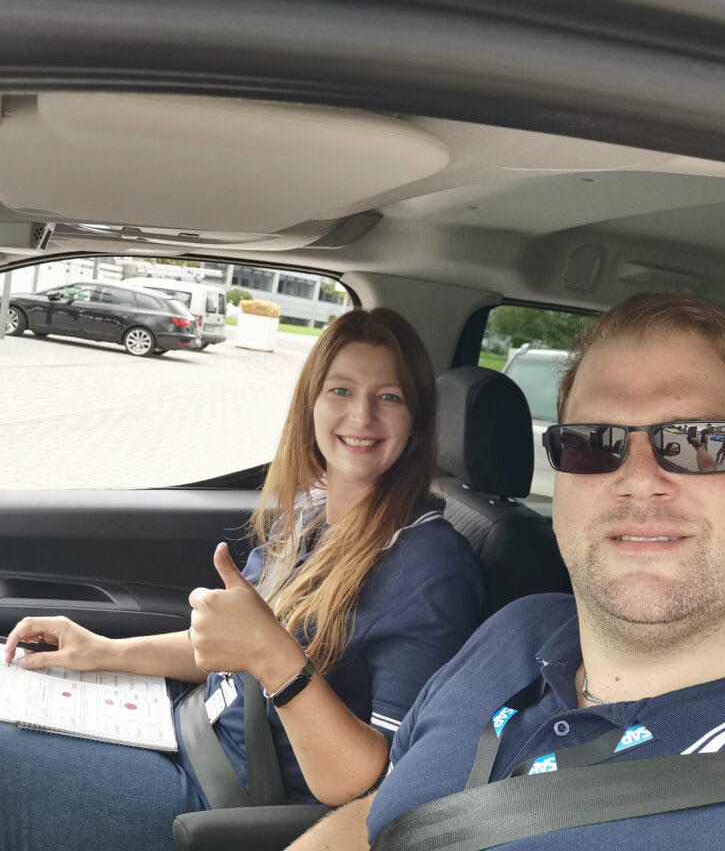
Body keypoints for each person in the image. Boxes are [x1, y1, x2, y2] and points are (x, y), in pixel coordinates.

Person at [289, 292, 725, 851]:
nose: (638, 479)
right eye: (594, 443)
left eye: (699, 440)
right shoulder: (518, 630)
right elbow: (379, 817)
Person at [0, 308, 485, 851]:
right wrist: (102, 651)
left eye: (389, 396)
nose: (362, 415)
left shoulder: (431, 569)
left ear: (416, 419)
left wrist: (276, 659)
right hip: (184, 729)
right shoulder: (310, 514)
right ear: (311, 403)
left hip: (227, 804)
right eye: (341, 390)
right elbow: (231, 649)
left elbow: (377, 784)